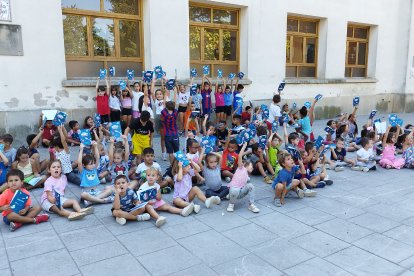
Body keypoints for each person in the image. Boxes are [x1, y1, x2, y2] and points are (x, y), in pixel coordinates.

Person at [226, 143, 260, 213]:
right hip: (234, 190)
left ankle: (251, 204)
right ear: (245, 165)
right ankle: (231, 204)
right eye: (251, 166)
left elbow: (247, 184)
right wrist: (244, 146)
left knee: (251, 186)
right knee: (234, 191)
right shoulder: (241, 168)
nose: (252, 168)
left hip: (240, 192)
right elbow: (240, 156)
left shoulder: (247, 176)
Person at [79, 142, 114, 206]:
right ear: (84, 165)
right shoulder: (83, 171)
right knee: (83, 195)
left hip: (96, 192)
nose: (93, 165)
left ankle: (91, 201)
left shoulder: (94, 169)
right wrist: (81, 149)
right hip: (87, 192)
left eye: (93, 163)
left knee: (109, 190)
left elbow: (97, 157)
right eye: (90, 164)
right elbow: (79, 163)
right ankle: (102, 200)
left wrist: (95, 147)